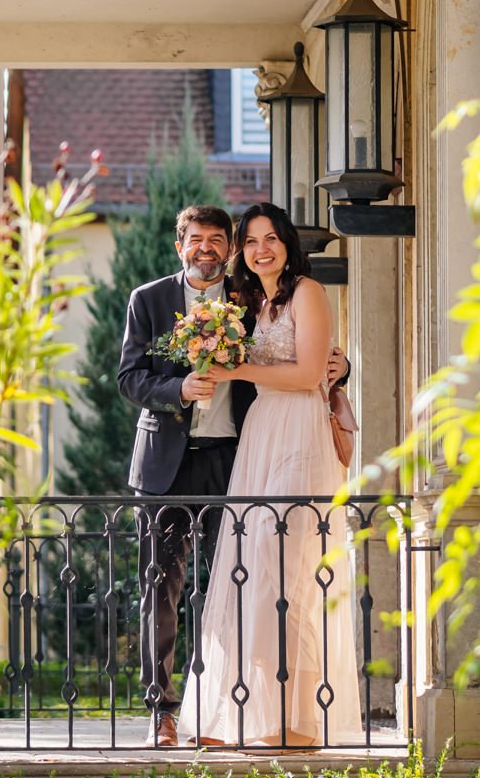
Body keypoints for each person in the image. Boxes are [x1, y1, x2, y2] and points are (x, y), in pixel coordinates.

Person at [117, 204, 348, 749]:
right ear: (181, 245)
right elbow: (130, 376)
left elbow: (299, 353)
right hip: (165, 465)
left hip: (239, 455)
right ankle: (164, 711)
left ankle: (237, 702)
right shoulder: (148, 300)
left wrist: (342, 368)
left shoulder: (249, 300)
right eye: (196, 239)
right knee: (162, 588)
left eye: (218, 240)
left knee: (246, 580)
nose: (206, 248)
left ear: (229, 248)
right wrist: (177, 390)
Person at [177, 202, 362, 750]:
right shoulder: (249, 302)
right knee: (251, 569)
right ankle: (246, 714)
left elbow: (309, 373)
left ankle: (299, 721)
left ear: (287, 243)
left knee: (291, 573)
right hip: (260, 432)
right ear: (242, 251)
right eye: (252, 241)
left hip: (299, 435)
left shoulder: (306, 290)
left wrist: (235, 369)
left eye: (271, 238)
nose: (262, 249)